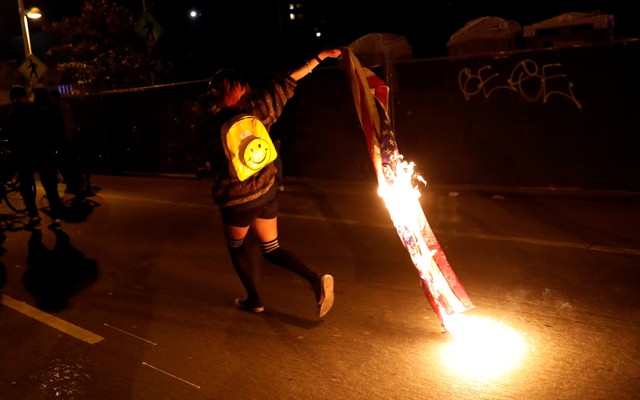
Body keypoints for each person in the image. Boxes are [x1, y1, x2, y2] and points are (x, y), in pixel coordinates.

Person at [197, 48, 342, 318]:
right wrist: (320, 58)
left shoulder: (208, 126)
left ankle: (254, 299)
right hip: (267, 191)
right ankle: (315, 279)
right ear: (243, 91)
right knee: (271, 248)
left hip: (238, 200)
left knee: (237, 247)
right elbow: (285, 82)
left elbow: (206, 160)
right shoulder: (257, 110)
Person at [5, 85, 66, 231]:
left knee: (26, 187)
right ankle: (55, 218)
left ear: (13, 98)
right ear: (26, 95)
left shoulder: (13, 115)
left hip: (24, 156)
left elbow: (12, 138)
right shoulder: (41, 110)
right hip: (44, 153)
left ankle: (34, 216)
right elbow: (52, 131)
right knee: (51, 188)